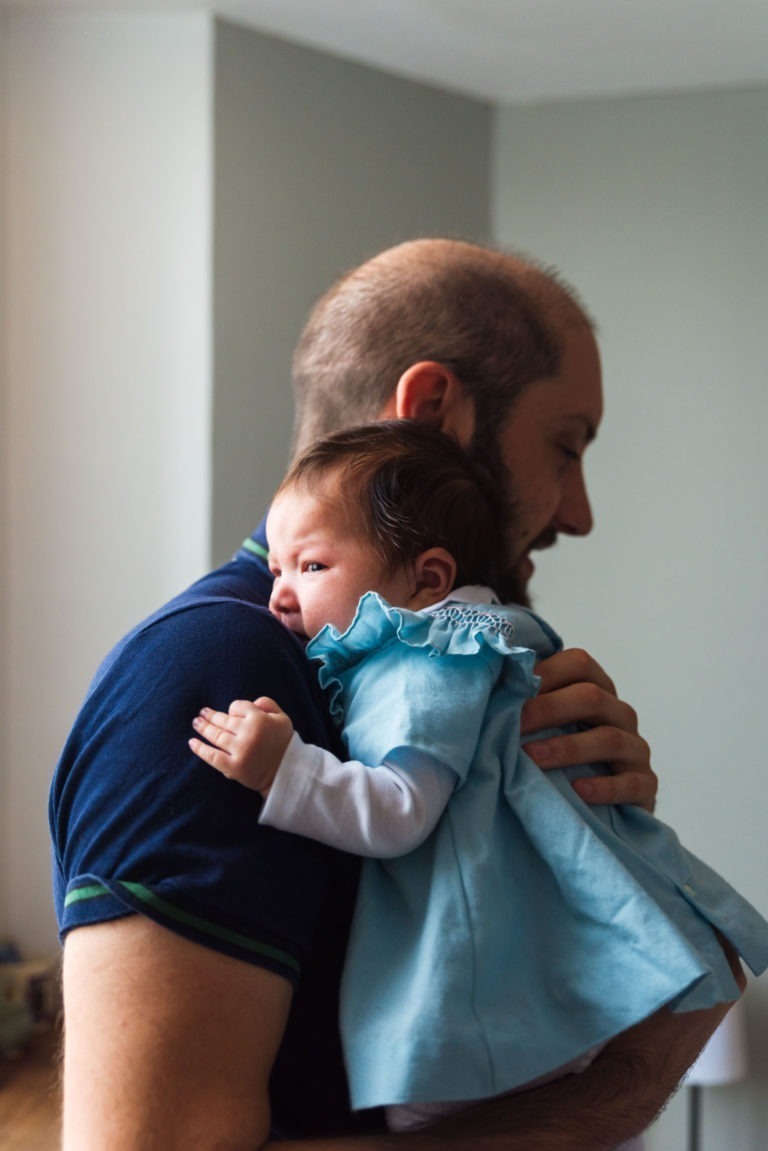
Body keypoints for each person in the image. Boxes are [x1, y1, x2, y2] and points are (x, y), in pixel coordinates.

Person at [50, 237, 744, 1151]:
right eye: (565, 447)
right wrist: (628, 1078)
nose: (577, 512)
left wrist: (586, 845)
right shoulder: (217, 675)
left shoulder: (403, 671)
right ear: (431, 412)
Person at [189, 420, 767, 1135]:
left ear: (426, 579)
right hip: (543, 961)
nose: (278, 596)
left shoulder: (421, 657)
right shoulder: (452, 644)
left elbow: (400, 809)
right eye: (276, 569)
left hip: (480, 979)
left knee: (419, 1111)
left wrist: (287, 769)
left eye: (309, 567)